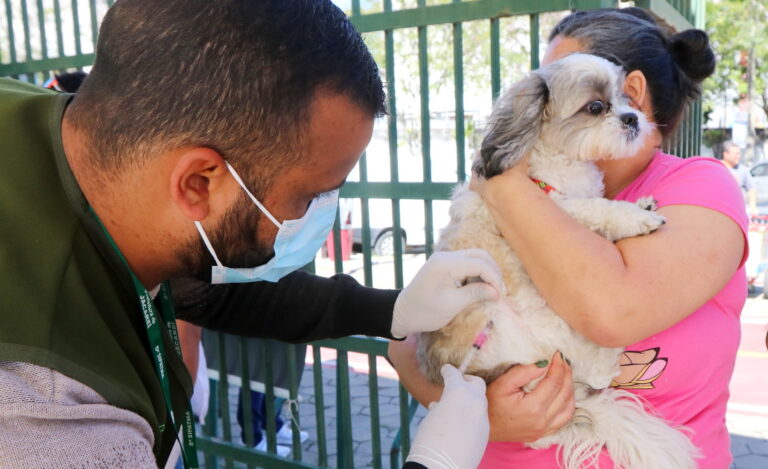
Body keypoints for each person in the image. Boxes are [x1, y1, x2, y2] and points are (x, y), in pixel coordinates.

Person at [0, 1, 506, 468]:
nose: (317, 216)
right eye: (309, 196)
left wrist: (390, 310)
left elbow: (202, 294)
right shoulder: (42, 412)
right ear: (199, 183)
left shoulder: (56, 144)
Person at [389, 7, 747, 469]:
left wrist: (499, 180)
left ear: (630, 92)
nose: (538, 103)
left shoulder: (701, 187)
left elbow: (612, 312)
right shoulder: (530, 183)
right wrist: (481, 412)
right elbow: (409, 344)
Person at [721, 140, 758, 214]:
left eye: (739, 153)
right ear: (726, 154)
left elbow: (752, 188)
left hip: (738, 212)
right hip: (721, 211)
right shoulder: (718, 168)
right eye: (736, 154)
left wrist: (752, 207)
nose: (738, 156)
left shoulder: (742, 170)